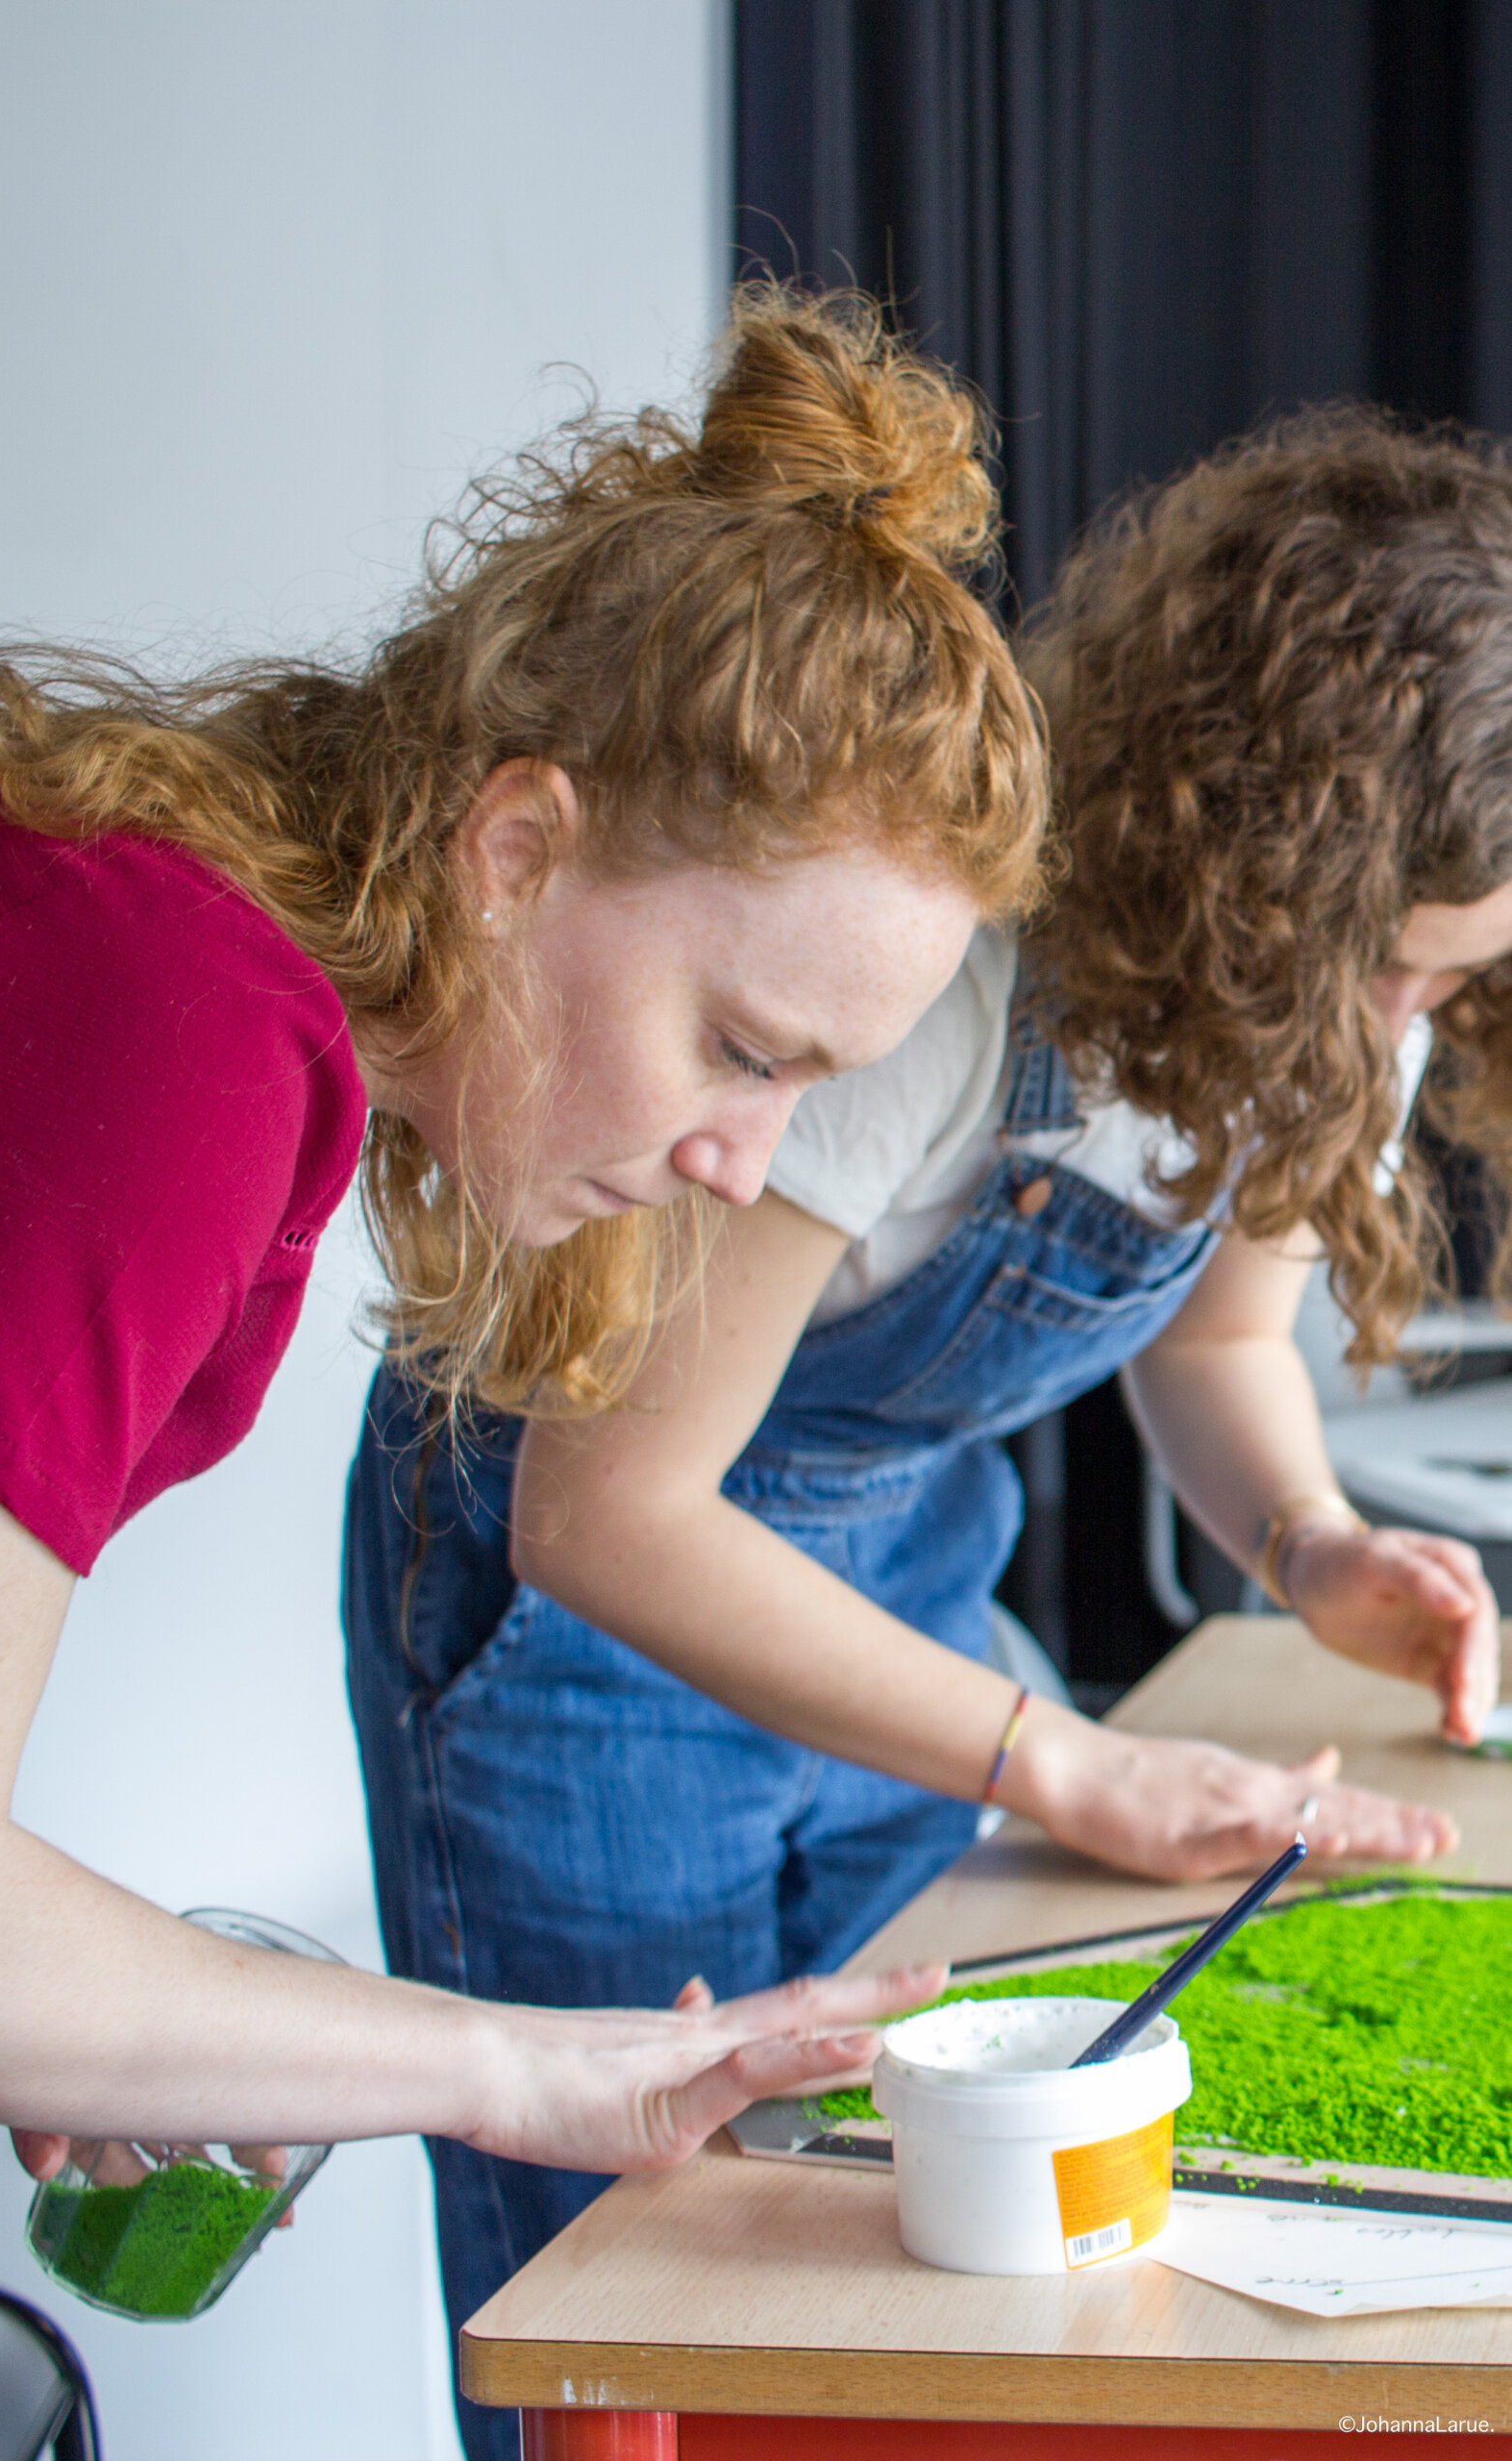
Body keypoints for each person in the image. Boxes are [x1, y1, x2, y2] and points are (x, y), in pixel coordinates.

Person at [345, 404, 1509, 2457]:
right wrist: (1054, 1751)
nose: (1420, 1013)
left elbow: (1221, 1323)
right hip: (592, 1641)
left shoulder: (1336, 1010)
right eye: (1409, 958)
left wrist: (1314, 1543)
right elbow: (608, 1506)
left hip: (886, 1566)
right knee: (660, 2267)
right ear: (1287, 872)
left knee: (915, 2231)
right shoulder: (936, 999)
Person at [0, 290, 1046, 2187]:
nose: (746, 1164)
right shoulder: (174, 1022)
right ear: (513, 848)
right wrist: (519, 2066)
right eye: (740, 1050)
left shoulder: (195, 986)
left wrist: (83, 1983)